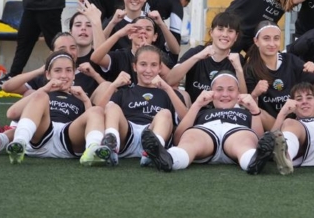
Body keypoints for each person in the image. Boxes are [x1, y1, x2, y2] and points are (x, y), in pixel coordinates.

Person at [0, 51, 112, 165]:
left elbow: (91, 121)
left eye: (68, 70)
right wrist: (44, 90)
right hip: (41, 134)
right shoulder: (43, 92)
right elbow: (11, 113)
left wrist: (85, 100)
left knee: (97, 111)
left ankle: (93, 150)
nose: (63, 75)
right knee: (40, 96)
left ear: (74, 75)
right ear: (48, 74)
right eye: (57, 70)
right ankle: (19, 143)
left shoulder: (80, 95)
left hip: (68, 137)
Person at [141, 71, 277, 173]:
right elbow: (178, 137)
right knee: (190, 139)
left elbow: (258, 138)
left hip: (236, 132)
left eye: (231, 90)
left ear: (238, 93)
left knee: (245, 141)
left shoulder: (246, 112)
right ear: (211, 92)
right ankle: (169, 159)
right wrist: (197, 105)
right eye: (219, 89)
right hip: (206, 133)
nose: (225, 94)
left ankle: (252, 162)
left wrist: (254, 110)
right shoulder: (202, 112)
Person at [90, 45, 188, 165]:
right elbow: (97, 113)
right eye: (143, 64)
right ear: (134, 66)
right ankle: (111, 147)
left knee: (165, 113)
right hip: (127, 135)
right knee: (111, 107)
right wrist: (113, 86)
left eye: (153, 65)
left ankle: (153, 154)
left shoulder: (169, 93)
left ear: (160, 68)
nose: (148, 70)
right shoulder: (125, 92)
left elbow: (186, 121)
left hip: (153, 132)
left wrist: (168, 88)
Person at [167, 12, 248, 101]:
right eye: (220, 29)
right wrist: (196, 58)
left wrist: (239, 70)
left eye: (230, 31)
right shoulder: (196, 52)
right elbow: (170, 80)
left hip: (224, 112)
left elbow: (243, 99)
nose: (225, 35)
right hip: (195, 112)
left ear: (236, 36)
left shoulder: (238, 60)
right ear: (211, 32)